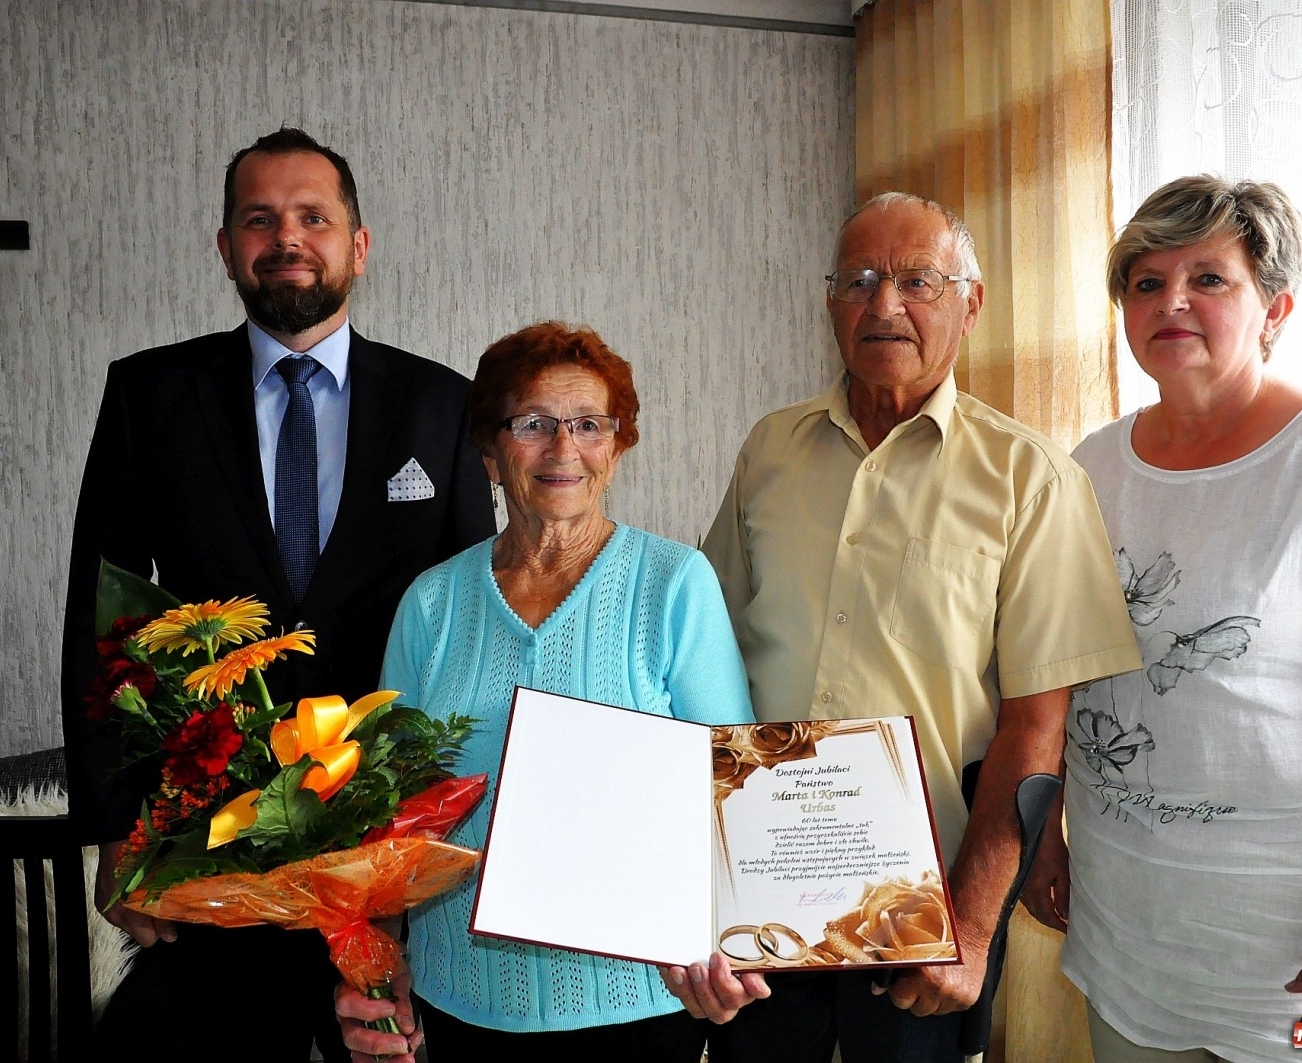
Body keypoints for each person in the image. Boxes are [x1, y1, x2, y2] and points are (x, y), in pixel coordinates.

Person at [60, 127, 495, 1062]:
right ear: (226, 247)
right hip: (209, 847)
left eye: (312, 217)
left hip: (385, 859)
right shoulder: (148, 396)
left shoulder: (444, 405)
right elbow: (104, 628)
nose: (286, 237)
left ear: (358, 244)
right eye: (259, 219)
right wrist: (116, 834)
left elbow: (475, 628)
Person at [678, 192, 1143, 1062]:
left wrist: (970, 925)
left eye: (917, 280)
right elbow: (708, 662)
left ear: (969, 304)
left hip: (923, 908)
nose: (883, 304)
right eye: (858, 280)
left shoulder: (1029, 478)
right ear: (828, 304)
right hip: (761, 890)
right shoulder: (769, 449)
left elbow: (1037, 724)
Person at [1020, 175, 1302, 1060]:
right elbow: (1057, 674)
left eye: (1208, 278)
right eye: (1146, 282)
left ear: (1274, 307)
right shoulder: (1090, 467)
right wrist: (1045, 828)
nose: (1171, 299)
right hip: (1130, 942)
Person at [333, 320, 755, 1061]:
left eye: (590, 424)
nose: (564, 448)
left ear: (617, 449)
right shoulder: (430, 606)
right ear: (491, 454)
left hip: (638, 1008)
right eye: (533, 424)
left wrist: (731, 950)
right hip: (460, 1000)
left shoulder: (675, 584)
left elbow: (732, 796)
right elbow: (382, 820)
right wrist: (374, 962)